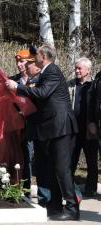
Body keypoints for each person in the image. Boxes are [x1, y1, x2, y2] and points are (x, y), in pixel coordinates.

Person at [5, 44, 80, 221]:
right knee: (50, 169)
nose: (33, 57)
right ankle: (54, 206)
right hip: (51, 128)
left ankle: (72, 208)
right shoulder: (45, 73)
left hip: (61, 127)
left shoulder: (52, 70)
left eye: (35, 54)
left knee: (61, 169)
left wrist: (17, 87)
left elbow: (42, 93)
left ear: (44, 56)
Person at [67, 57, 98, 197]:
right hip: (73, 130)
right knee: (71, 160)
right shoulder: (70, 85)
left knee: (91, 160)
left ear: (88, 70)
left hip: (89, 130)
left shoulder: (94, 86)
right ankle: (69, 188)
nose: (77, 70)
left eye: (80, 68)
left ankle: (91, 188)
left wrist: (94, 123)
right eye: (76, 68)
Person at [10, 49, 37, 198]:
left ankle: (30, 190)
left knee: (31, 158)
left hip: (35, 126)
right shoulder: (11, 80)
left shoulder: (38, 79)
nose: (19, 64)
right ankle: (19, 189)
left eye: (22, 61)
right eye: (17, 62)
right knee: (19, 158)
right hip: (16, 127)